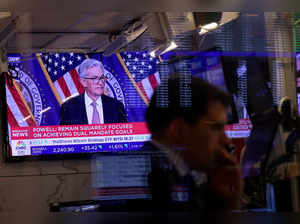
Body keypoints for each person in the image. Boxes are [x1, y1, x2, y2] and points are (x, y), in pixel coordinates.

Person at [144, 74, 243, 212]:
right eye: (216, 128)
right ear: (178, 131)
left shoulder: (179, 178)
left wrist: (226, 203)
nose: (227, 141)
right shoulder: (150, 186)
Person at [59, 59, 127, 125]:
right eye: (95, 78)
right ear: (83, 82)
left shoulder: (117, 106)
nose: (100, 83)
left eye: (102, 78)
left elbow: (125, 134)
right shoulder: (68, 108)